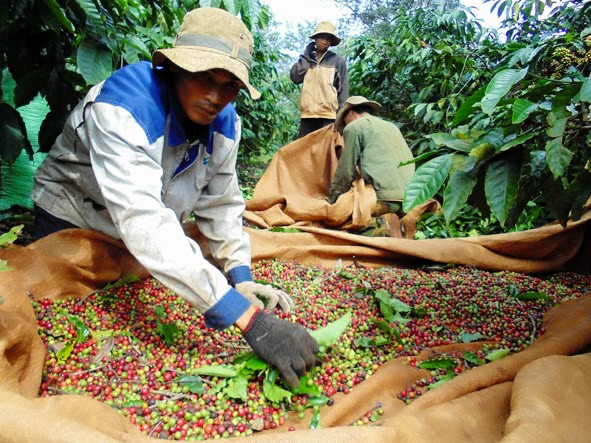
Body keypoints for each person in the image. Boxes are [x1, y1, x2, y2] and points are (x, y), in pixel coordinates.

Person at [31, 7, 318, 388]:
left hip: (141, 235)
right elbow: (144, 220)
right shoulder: (123, 108)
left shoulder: (226, 124)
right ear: (176, 69)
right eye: (204, 78)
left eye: (230, 85)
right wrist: (250, 320)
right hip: (74, 215)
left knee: (139, 277)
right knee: (55, 300)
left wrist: (240, 276)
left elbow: (222, 204)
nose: (216, 97)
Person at [328, 96, 415, 213]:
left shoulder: (354, 127)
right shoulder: (392, 126)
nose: (345, 125)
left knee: (348, 220)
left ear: (350, 112)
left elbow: (346, 171)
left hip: (384, 200)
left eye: (345, 122)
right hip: (411, 200)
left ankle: (381, 225)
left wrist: (333, 200)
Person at [290, 21, 349, 138]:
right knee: (306, 151)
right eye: (322, 37)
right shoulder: (307, 60)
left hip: (329, 116)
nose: (325, 41)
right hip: (307, 115)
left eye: (328, 39)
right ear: (315, 38)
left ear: (331, 42)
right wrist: (307, 54)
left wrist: (341, 116)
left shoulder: (337, 61)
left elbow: (343, 92)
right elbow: (295, 77)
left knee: (326, 151)